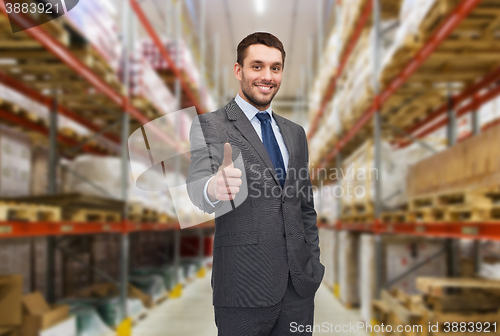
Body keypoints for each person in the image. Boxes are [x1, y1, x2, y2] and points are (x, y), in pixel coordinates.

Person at [186, 32, 324, 335]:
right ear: (239, 71)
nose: (267, 76)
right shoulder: (211, 124)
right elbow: (196, 184)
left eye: (275, 68)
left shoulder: (295, 133)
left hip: (298, 289)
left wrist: (312, 265)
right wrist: (213, 188)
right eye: (257, 66)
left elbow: (304, 208)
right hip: (242, 287)